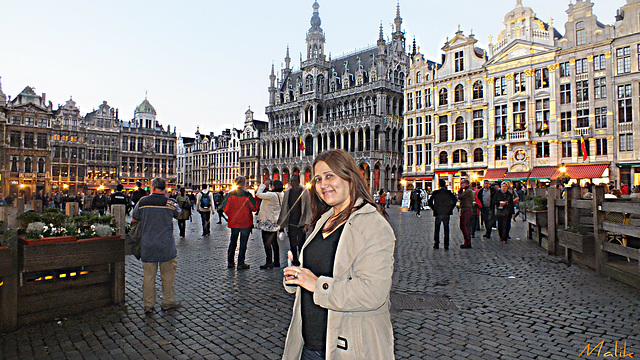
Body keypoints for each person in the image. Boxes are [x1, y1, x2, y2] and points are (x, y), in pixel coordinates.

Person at [282, 149, 395, 359]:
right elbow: (318, 271)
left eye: (329, 175)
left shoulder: (373, 225)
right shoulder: (324, 219)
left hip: (347, 347)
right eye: (317, 179)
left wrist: (316, 285)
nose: (322, 184)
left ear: (350, 177)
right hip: (309, 344)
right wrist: (297, 277)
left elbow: (373, 293)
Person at [131, 177, 181, 314]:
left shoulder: (143, 202)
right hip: (166, 245)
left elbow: (135, 218)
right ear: (164, 188)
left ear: (152, 187)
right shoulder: (170, 202)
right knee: (168, 275)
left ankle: (148, 304)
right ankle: (168, 301)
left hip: (148, 244)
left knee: (148, 277)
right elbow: (178, 214)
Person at [219, 176, 260, 270]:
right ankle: (240, 263)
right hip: (245, 223)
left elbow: (225, 208)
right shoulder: (247, 194)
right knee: (243, 243)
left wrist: (232, 215)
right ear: (243, 183)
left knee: (233, 241)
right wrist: (257, 199)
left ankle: (230, 261)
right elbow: (254, 208)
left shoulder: (230, 194)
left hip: (234, 222)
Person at [278, 174, 312, 267]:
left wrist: (307, 224)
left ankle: (301, 258)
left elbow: (308, 208)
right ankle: (295, 259)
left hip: (301, 222)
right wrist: (282, 224)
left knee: (301, 243)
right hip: (291, 222)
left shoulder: (305, 192)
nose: (292, 183)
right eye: (291, 181)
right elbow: (284, 208)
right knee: (293, 243)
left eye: (294, 181)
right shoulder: (287, 192)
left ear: (298, 182)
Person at [255, 179, 285, 269]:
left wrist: (263, 185)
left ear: (274, 186)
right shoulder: (282, 194)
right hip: (275, 221)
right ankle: (276, 261)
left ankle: (269, 262)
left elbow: (258, 194)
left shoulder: (271, 195)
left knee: (266, 242)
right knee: (274, 242)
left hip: (267, 222)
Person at [427, 179, 457, 249]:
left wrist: (434, 208)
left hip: (438, 212)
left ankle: (436, 243)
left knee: (437, 228)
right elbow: (455, 200)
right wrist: (450, 208)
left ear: (439, 185)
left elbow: (429, 202)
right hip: (446, 212)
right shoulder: (448, 193)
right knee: (446, 228)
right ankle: (446, 244)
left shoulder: (436, 193)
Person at [458, 179, 474, 249]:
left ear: (466, 184)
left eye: (462, 184)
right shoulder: (468, 190)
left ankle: (467, 242)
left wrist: (460, 190)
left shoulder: (468, 191)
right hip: (466, 208)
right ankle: (467, 241)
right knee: (465, 226)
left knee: (463, 225)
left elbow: (460, 197)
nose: (461, 185)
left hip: (466, 209)